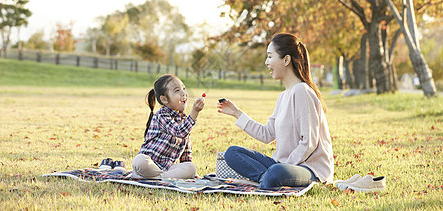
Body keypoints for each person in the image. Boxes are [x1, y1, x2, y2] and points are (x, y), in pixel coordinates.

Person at [217, 33, 334, 189]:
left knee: (277, 171)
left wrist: (284, 165)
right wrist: (237, 113)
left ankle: (267, 178)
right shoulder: (282, 97)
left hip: (310, 170)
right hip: (281, 165)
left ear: (286, 60)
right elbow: (267, 135)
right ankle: (266, 179)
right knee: (232, 153)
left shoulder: (302, 91)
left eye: (270, 56)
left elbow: (309, 143)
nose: (266, 62)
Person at [131, 74, 205, 179]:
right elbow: (179, 131)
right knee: (140, 161)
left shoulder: (184, 120)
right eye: (177, 91)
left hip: (167, 168)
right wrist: (195, 112)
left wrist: (190, 172)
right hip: (150, 164)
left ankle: (157, 177)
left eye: (183, 88)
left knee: (191, 167)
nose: (184, 93)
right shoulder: (162, 116)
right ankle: (160, 177)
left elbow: (186, 153)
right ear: (164, 100)